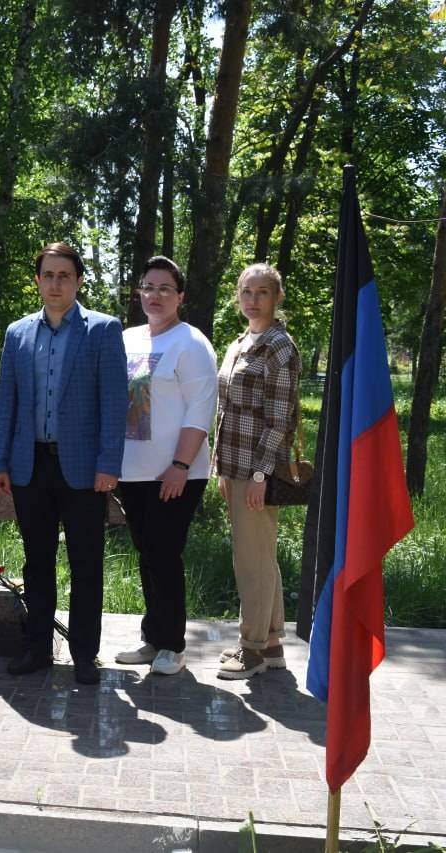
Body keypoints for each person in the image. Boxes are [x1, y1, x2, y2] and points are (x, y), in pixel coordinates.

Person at [0, 242, 127, 685]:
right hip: (30, 466)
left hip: (85, 468)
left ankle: (85, 654)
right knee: (37, 561)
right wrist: (0, 461)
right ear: (37, 281)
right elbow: (5, 401)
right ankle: (37, 647)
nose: (55, 283)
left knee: (86, 562)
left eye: (64, 275)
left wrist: (110, 463)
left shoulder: (103, 331)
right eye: (47, 275)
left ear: (79, 281)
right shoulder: (18, 334)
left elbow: (114, 403)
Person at [113, 257, 217, 676]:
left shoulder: (190, 343)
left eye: (164, 289)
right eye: (148, 287)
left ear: (180, 297)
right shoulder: (128, 339)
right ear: (139, 292)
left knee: (163, 552)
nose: (154, 296)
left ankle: (172, 645)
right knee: (146, 553)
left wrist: (179, 464)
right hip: (132, 471)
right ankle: (153, 638)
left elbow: (200, 410)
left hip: (176, 473)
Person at [213, 262, 301, 680]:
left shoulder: (279, 347)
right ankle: (272, 644)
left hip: (257, 470)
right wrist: (221, 471)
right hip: (234, 468)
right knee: (260, 556)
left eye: (262, 292)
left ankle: (250, 650)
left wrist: (261, 476)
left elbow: (280, 418)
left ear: (276, 296)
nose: (252, 299)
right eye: (246, 291)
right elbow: (225, 411)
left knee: (252, 561)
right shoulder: (238, 343)